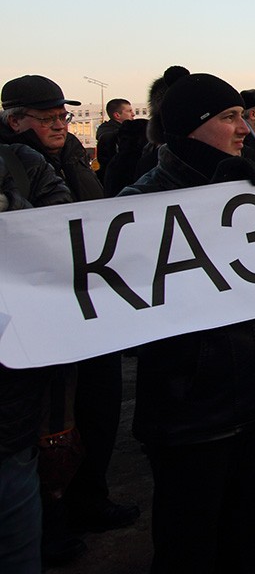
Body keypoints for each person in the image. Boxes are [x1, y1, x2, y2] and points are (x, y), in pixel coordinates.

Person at [119, 72, 255, 573]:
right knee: (190, 544)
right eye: (229, 117)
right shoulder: (141, 203)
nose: (243, 129)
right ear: (192, 126)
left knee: (248, 536)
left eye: (242, 115)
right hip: (190, 412)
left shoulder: (249, 188)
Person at [1, 75, 137, 564]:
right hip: (38, 325)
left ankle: (87, 499)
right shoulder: (13, 167)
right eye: (49, 118)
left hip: (90, 311)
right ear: (15, 121)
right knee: (47, 428)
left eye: (64, 116)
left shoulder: (72, 160)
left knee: (97, 411)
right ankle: (49, 526)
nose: (62, 125)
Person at [0, 141, 73, 573]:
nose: (60, 127)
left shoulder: (20, 164)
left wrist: (10, 204)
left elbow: (64, 222)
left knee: (16, 540)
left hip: (11, 403)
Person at [95, 99, 134, 182]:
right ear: (117, 115)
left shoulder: (106, 132)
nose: (133, 114)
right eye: (129, 111)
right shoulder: (114, 136)